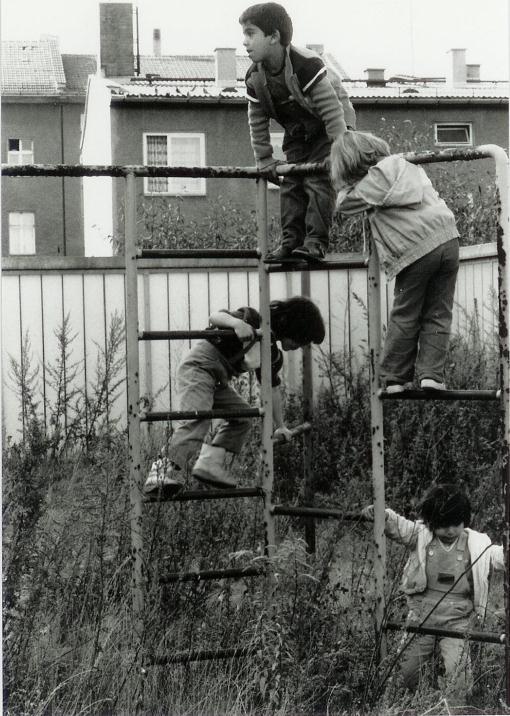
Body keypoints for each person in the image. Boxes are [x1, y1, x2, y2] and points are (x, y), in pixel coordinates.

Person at [144, 296, 325, 494]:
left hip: (217, 380)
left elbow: (271, 388)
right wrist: (236, 324)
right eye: (301, 340)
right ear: (293, 327)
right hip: (199, 368)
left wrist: (280, 426)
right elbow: (215, 316)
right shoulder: (252, 321)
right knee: (198, 418)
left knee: (243, 417)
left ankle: (209, 463)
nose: (298, 347)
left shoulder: (271, 352)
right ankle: (159, 472)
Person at [332, 130, 460, 392]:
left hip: (416, 251)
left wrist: (346, 186)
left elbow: (344, 205)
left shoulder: (372, 180)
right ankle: (431, 375)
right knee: (438, 312)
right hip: (448, 240)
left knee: (406, 312)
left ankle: (394, 377)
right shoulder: (407, 166)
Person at [362, 484, 504, 702]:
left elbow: (496, 555)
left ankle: (455, 707)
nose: (450, 531)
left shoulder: (476, 543)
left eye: (456, 524)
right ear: (431, 523)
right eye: (443, 525)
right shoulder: (421, 536)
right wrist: (383, 515)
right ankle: (411, 703)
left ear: (465, 520)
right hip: (421, 617)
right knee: (405, 673)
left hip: (458, 620)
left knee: (459, 675)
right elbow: (399, 527)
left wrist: (506, 554)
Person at [239, 2, 356, 263]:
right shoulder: (255, 77)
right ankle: (291, 242)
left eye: (250, 33)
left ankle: (315, 242)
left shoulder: (305, 64)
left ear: (274, 37)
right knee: (290, 183)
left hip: (331, 127)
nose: (244, 42)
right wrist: (265, 159)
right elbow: (256, 120)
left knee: (318, 179)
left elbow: (331, 108)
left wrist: (339, 149)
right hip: (298, 130)